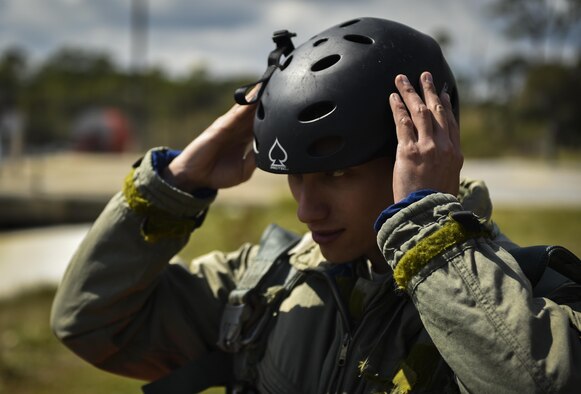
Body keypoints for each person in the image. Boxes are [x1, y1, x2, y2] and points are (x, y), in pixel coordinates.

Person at [51, 17, 581, 393]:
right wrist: (178, 183)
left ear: (420, 150)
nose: (306, 211)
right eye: (295, 179)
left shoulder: (529, 302)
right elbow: (89, 321)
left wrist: (427, 223)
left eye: (336, 174)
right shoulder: (267, 287)